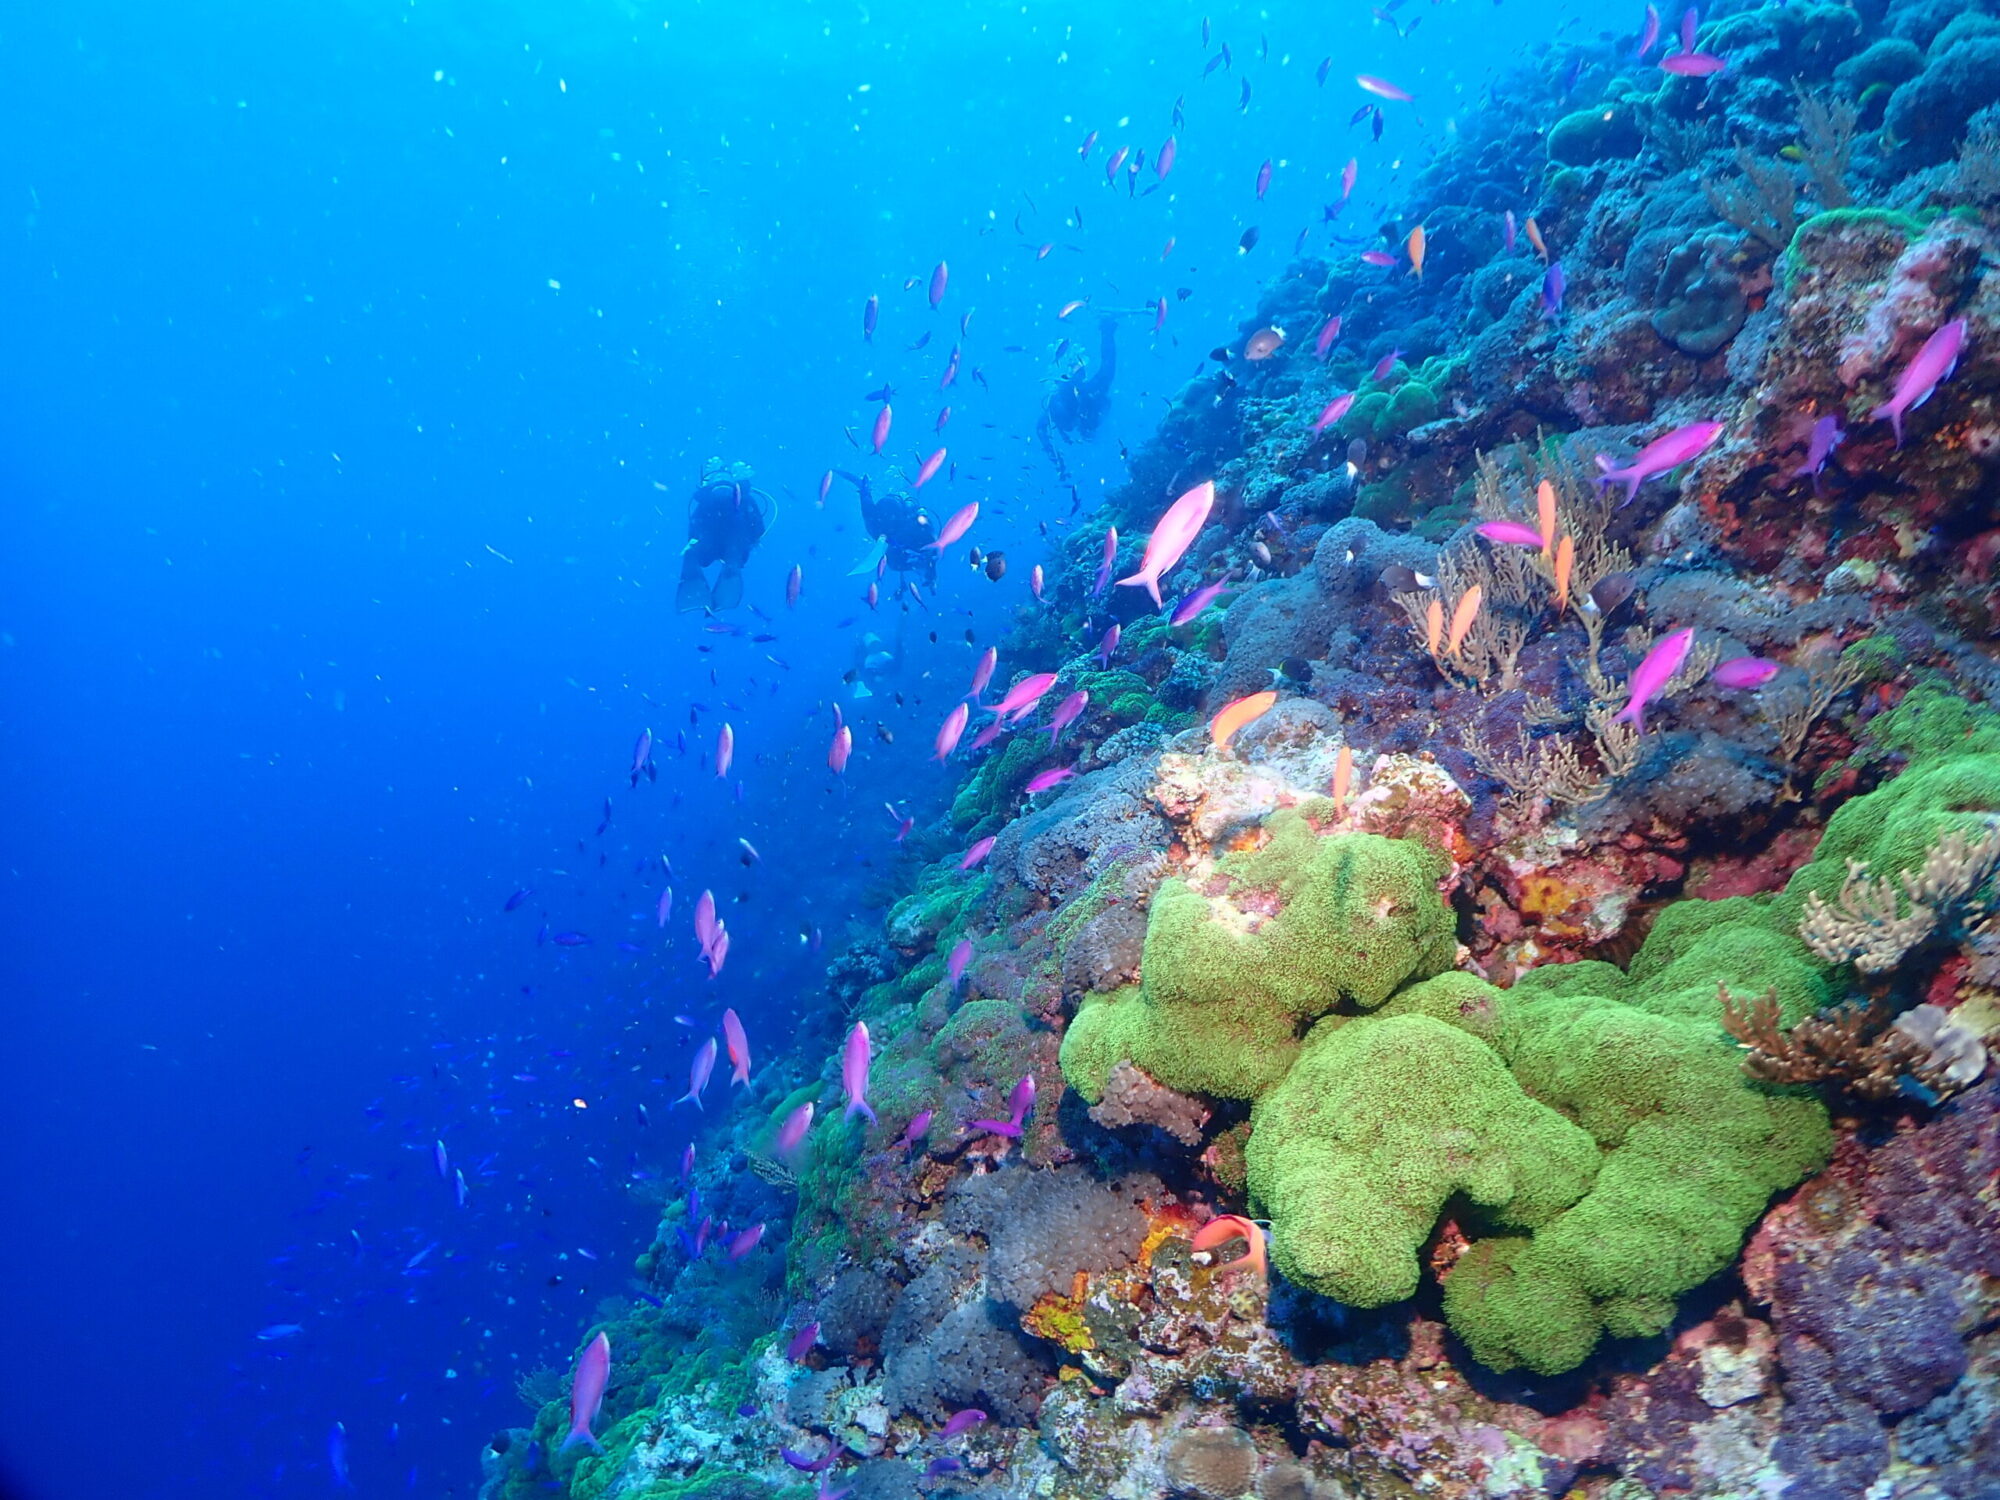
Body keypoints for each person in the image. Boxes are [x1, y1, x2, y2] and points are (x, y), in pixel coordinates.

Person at [677, 459, 774, 613]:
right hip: (734, 548)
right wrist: (750, 543)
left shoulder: (706, 500)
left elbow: (694, 526)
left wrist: (693, 545)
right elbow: (758, 530)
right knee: (733, 561)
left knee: (692, 554)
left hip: (707, 546)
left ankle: (694, 587)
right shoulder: (745, 499)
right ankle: (730, 573)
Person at [1036, 315, 1119, 475]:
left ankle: (1106, 327)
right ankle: (1106, 327)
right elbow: (1108, 368)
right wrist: (1107, 333)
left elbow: (1040, 427)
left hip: (1080, 417)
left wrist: (1055, 458)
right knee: (1105, 377)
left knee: (1104, 378)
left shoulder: (1059, 400)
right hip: (1082, 414)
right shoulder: (1067, 396)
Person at [834, 470, 938, 587]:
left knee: (872, 519)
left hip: (892, 521)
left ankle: (864, 486)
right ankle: (864, 486)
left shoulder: (878, 529)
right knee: (874, 523)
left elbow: (895, 562)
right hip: (893, 524)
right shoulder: (879, 529)